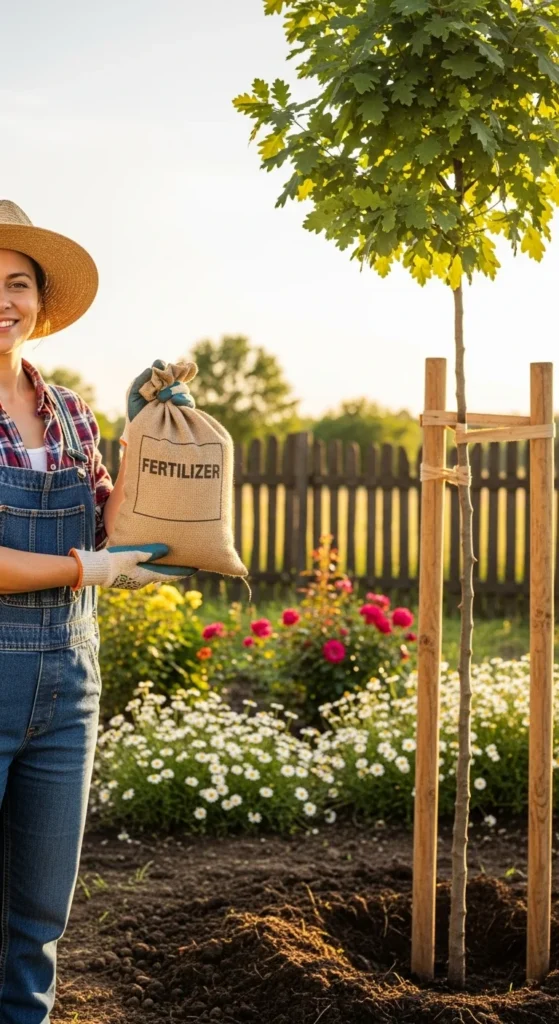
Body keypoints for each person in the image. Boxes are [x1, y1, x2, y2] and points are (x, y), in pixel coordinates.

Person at [0, 199, 196, 1023]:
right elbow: (94, 556)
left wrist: (147, 427)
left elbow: (120, 525)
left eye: (17, 283)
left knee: (39, 918)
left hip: (69, 681)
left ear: (41, 304)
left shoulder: (71, 412)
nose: (3, 299)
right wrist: (88, 567)